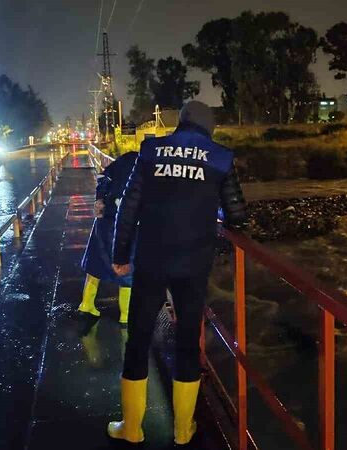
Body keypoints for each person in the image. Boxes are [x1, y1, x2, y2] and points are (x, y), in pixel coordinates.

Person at [107, 101, 247, 445]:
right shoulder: (220, 157)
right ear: (208, 128)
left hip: (152, 259)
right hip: (193, 264)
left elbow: (130, 206)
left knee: (138, 338)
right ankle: (184, 430)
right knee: (187, 342)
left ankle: (132, 428)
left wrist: (120, 254)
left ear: (180, 123)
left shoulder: (151, 151)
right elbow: (238, 214)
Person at [77, 150, 138, 324]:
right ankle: (126, 315)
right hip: (127, 223)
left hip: (106, 218)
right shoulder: (146, 167)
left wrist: (99, 201)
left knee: (96, 262)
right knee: (127, 268)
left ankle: (86, 304)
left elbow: (102, 179)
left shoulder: (121, 162)